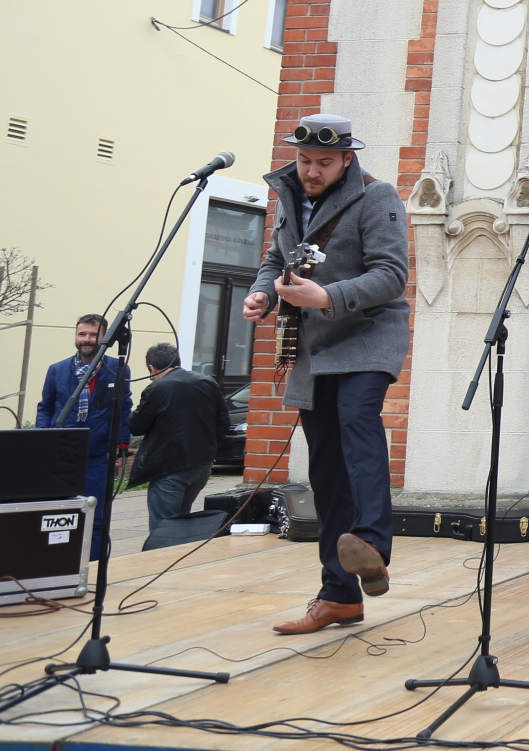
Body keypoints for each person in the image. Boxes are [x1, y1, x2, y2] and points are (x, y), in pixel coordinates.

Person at [241, 113, 411, 635]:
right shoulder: (288, 195)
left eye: (323, 163)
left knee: (357, 421)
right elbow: (276, 259)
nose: (311, 171)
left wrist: (328, 296)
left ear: (347, 160)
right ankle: (339, 595)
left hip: (365, 337)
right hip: (314, 347)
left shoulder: (378, 198)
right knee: (326, 471)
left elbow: (392, 274)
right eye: (304, 160)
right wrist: (263, 293)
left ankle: (372, 544)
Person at [37, 314, 131, 561]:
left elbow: (123, 409)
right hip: (61, 454)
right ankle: (55, 563)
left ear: (104, 338)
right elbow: (45, 407)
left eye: (93, 335)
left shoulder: (117, 369)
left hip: (97, 456)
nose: (86, 339)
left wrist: (121, 446)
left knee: (96, 516)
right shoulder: (57, 370)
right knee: (57, 513)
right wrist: (43, 439)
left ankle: (92, 566)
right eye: (82, 334)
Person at [128, 342, 231, 532]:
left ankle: (163, 559)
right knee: (182, 522)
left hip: (168, 468)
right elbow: (224, 423)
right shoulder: (208, 382)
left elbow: (136, 426)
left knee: (164, 528)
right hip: (202, 465)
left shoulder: (157, 388)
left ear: (151, 368)